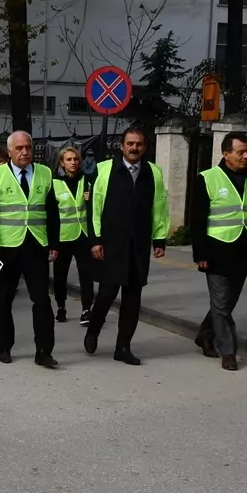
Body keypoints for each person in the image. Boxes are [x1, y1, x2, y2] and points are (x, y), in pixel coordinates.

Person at [84, 126, 169, 366]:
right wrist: (95, 240)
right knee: (106, 295)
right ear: (121, 146)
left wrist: (159, 240)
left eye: (139, 144)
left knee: (133, 299)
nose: (134, 148)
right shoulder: (104, 170)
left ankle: (123, 347)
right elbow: (94, 209)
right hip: (111, 244)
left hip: (138, 246)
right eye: (130, 143)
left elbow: (159, 209)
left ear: (145, 147)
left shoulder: (154, 173)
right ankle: (93, 332)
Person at [191, 132, 247, 371]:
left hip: (244, 247)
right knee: (221, 303)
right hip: (216, 249)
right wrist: (201, 254)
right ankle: (228, 352)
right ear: (226, 154)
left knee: (226, 304)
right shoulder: (207, 178)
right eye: (240, 152)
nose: (246, 156)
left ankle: (205, 335)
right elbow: (198, 220)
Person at [0, 130, 60, 368]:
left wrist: (54, 244)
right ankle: (4, 347)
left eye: (28, 147)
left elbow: (52, 212)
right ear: (9, 152)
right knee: (4, 299)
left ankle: (44, 351)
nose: (25, 152)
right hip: (6, 249)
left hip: (36, 247)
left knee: (42, 301)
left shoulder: (45, 173)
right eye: (19, 148)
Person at [52, 146, 94, 325]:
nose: (73, 163)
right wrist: (51, 242)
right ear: (62, 162)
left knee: (86, 274)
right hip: (63, 237)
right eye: (69, 159)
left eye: (76, 159)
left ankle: (86, 310)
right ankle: (61, 307)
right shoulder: (54, 183)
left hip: (83, 235)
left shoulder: (88, 180)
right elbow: (52, 215)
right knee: (60, 275)